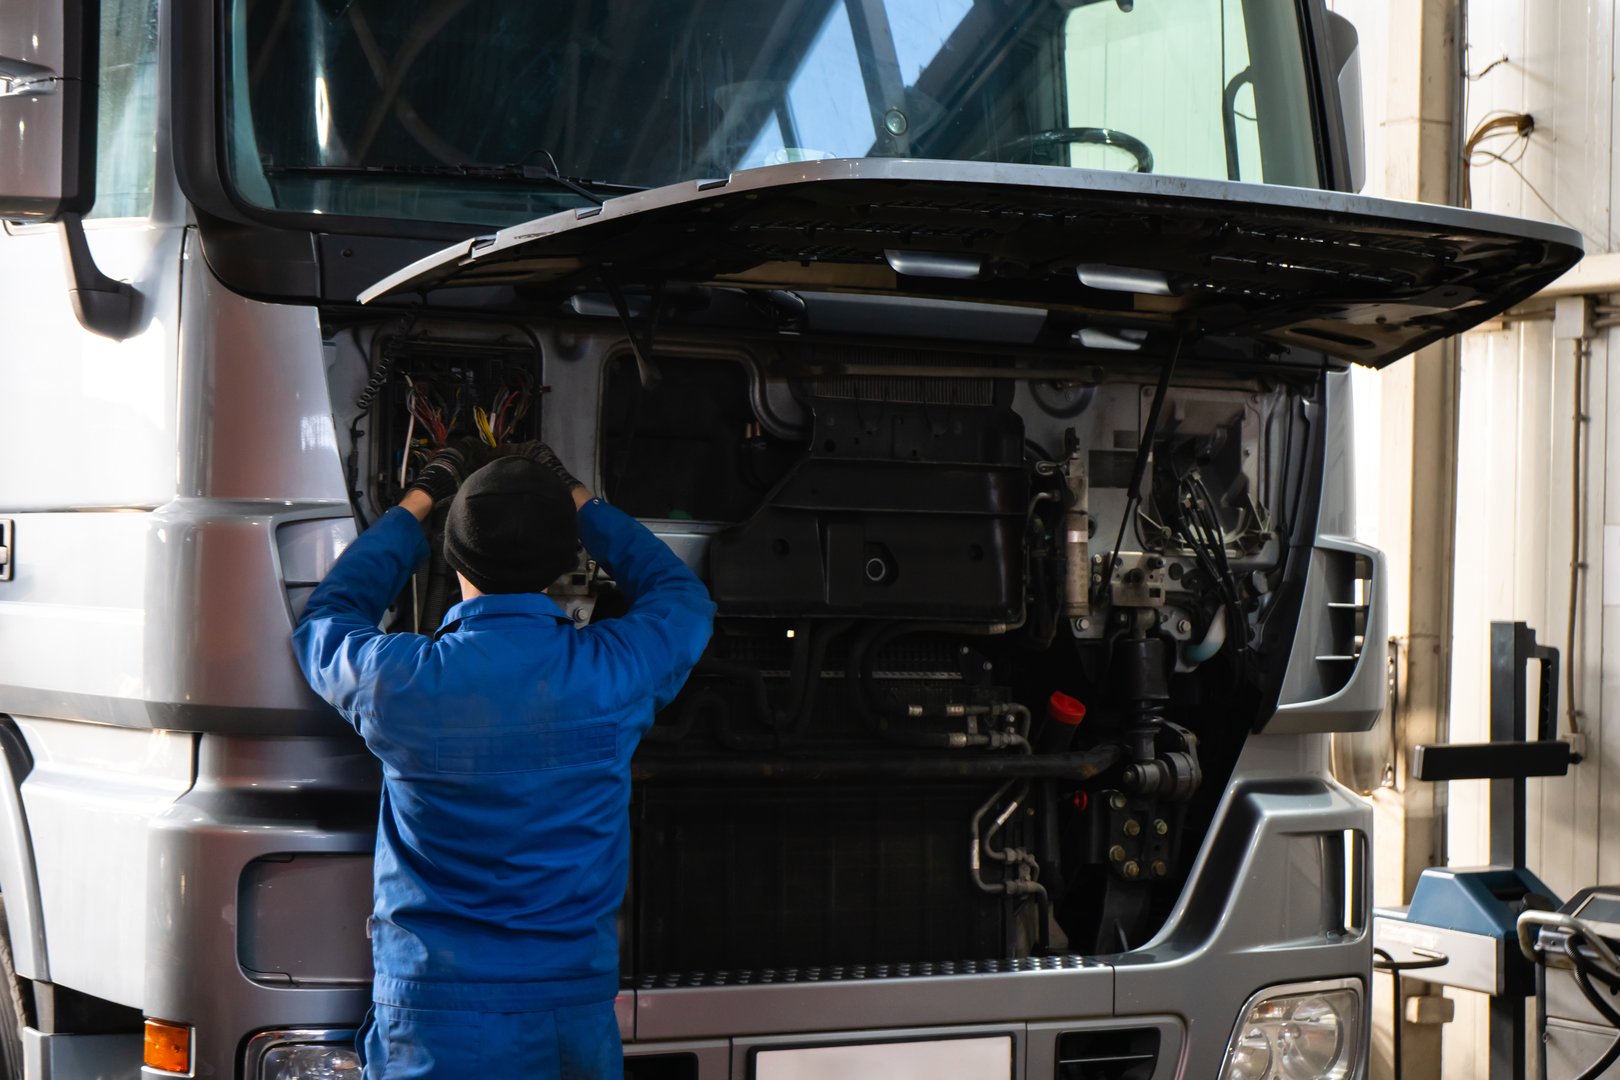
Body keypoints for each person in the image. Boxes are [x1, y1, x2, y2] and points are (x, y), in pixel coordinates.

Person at [291, 439, 715, 1079]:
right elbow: (682, 597)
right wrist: (580, 499)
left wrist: (418, 501)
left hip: (432, 1018)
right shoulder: (612, 672)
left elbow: (326, 617)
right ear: (565, 560)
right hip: (570, 1013)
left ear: (453, 555)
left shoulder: (398, 682)